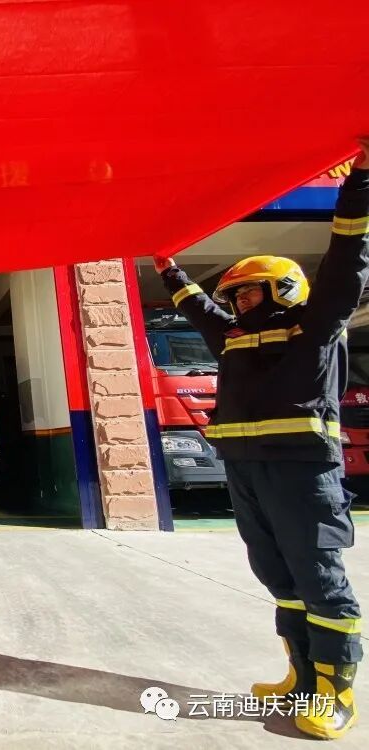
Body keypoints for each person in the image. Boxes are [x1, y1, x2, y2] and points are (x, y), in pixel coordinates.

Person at [153, 139, 369, 740]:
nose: (237, 301)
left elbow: (347, 260)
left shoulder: (315, 326)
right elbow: (197, 308)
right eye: (235, 296)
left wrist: (358, 184)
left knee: (320, 579)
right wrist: (166, 265)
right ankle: (301, 677)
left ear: (284, 289)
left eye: (248, 292)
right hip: (246, 470)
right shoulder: (234, 337)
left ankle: (335, 692)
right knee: (279, 577)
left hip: (303, 472)